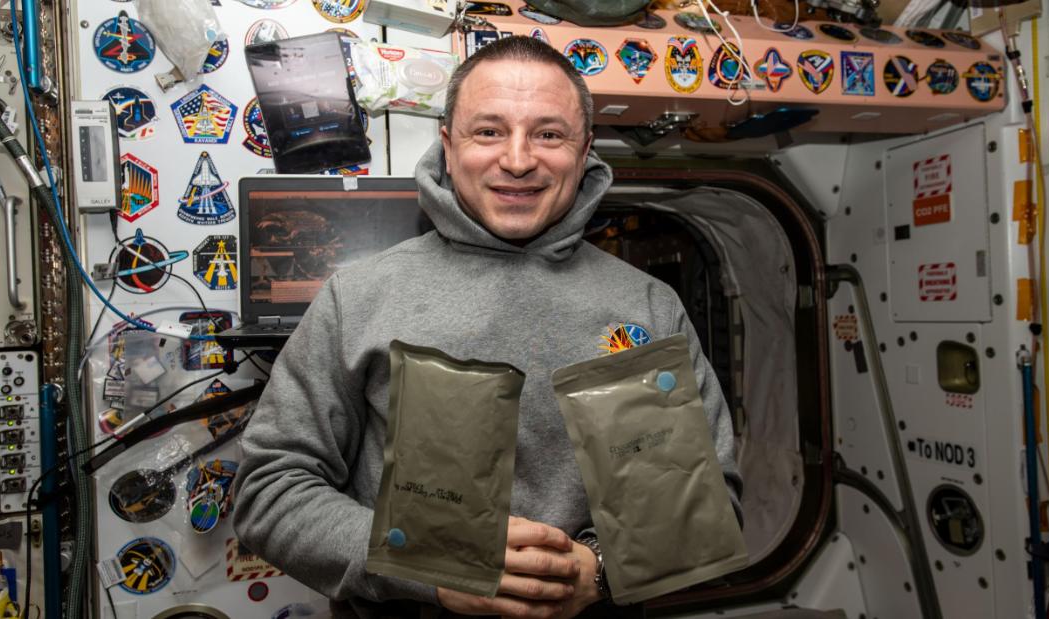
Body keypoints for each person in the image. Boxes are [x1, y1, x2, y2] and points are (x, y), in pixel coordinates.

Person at [233, 35, 741, 618]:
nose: (519, 159)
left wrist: (600, 569)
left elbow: (705, 504)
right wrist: (430, 569)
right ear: (449, 145)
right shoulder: (361, 299)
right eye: (489, 131)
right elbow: (270, 492)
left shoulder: (646, 308)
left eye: (549, 134)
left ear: (584, 150)